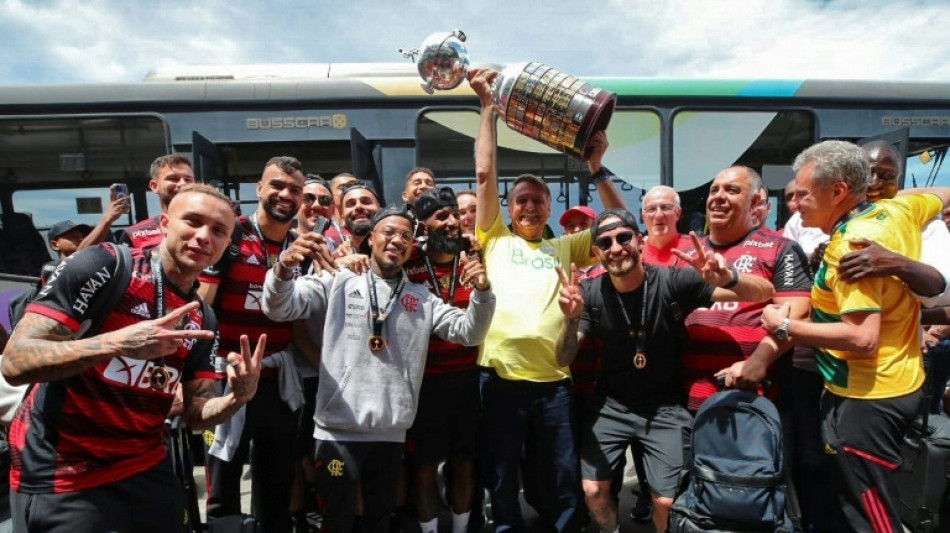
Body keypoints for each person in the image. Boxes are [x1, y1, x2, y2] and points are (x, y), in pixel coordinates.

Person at [1, 183, 264, 533]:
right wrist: (117, 343)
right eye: (192, 221)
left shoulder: (202, 316)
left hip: (146, 469)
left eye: (218, 231)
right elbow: (15, 361)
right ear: (165, 223)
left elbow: (195, 413)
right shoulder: (104, 265)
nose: (204, 237)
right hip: (65, 475)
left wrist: (237, 398)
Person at [261, 204, 496, 533]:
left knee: (379, 520)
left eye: (406, 236)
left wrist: (482, 292)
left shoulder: (422, 298)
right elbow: (278, 307)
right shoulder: (337, 278)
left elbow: (469, 333)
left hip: (390, 433)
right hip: (337, 432)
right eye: (389, 232)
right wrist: (284, 268)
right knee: (337, 520)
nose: (397, 240)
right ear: (371, 238)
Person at [761, 139, 950, 532]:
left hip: (867, 398)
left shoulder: (851, 245)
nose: (795, 203)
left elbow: (862, 337)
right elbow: (942, 195)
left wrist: (785, 326)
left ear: (838, 192)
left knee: (872, 516)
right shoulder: (899, 208)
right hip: (897, 384)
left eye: (804, 194)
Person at [468, 67, 626, 532]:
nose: (530, 206)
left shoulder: (565, 247)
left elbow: (621, 223)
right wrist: (487, 109)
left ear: (549, 208)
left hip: (554, 382)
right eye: (521, 200)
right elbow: (484, 174)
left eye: (538, 200)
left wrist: (596, 168)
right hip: (498, 380)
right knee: (502, 475)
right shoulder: (494, 237)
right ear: (508, 208)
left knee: (561, 477)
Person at [555, 209, 774, 533]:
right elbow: (563, 357)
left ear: (640, 241)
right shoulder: (590, 292)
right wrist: (571, 318)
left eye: (623, 237)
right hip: (612, 405)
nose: (615, 248)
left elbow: (764, 292)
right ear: (597, 253)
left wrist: (728, 277)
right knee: (593, 492)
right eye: (605, 242)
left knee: (666, 502)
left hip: (665, 408)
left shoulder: (673, 280)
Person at [200, 156, 321, 533]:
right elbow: (200, 308)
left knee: (276, 482)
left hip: (276, 382)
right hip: (226, 378)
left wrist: (328, 368)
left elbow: (295, 323)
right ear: (259, 189)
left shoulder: (300, 248)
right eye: (277, 185)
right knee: (223, 482)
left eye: (295, 190)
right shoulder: (232, 235)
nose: (286, 194)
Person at [679, 166, 812, 408]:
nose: (719, 197)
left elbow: (798, 316)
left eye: (732, 190)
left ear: (755, 202)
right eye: (714, 190)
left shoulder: (781, 248)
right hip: (683, 402)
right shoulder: (686, 252)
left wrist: (758, 362)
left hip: (751, 399)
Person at [401, 188, 483, 533]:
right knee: (423, 465)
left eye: (455, 214)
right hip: (423, 383)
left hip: (468, 380)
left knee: (465, 462)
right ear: (423, 225)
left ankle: (461, 529)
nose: (452, 222)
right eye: (442, 216)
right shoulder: (408, 261)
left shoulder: (476, 256)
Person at [115, 154, 197, 249]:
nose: (182, 183)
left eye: (188, 179)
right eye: (174, 179)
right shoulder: (134, 235)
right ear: (154, 186)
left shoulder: (209, 227)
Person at [640, 185, 691, 268]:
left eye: (665, 208)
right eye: (651, 209)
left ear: (677, 214)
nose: (658, 215)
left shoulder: (695, 249)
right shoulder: (634, 253)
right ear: (643, 217)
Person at [329, 183, 381, 258]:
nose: (358, 206)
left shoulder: (395, 252)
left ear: (380, 210)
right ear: (342, 219)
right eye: (351, 204)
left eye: (366, 202)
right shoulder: (334, 260)